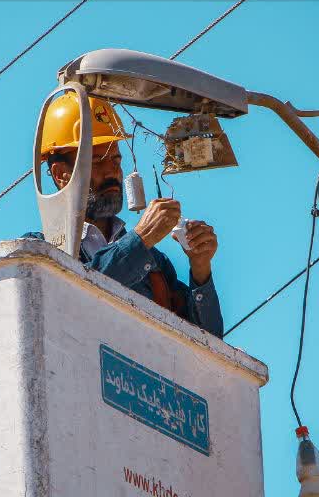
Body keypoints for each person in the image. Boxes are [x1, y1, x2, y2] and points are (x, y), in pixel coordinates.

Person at [24, 93, 224, 338]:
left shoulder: (154, 261)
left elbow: (209, 343)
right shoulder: (42, 250)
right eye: (97, 161)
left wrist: (200, 268)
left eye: (115, 160)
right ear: (60, 174)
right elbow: (72, 298)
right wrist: (140, 240)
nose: (112, 171)